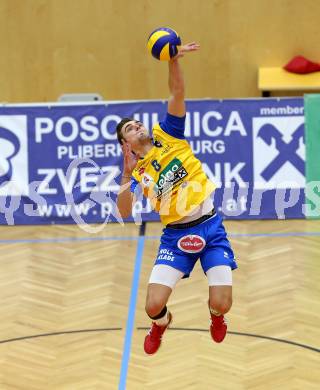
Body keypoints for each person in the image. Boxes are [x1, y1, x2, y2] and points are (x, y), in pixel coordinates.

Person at [116, 42, 237, 355]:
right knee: (152, 305)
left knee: (221, 303)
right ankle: (162, 324)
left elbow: (177, 93)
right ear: (125, 144)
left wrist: (172, 60)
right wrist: (126, 176)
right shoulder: (136, 171)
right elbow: (125, 212)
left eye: (137, 122)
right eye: (130, 128)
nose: (138, 126)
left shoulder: (167, 132)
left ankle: (216, 318)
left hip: (210, 229)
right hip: (175, 237)